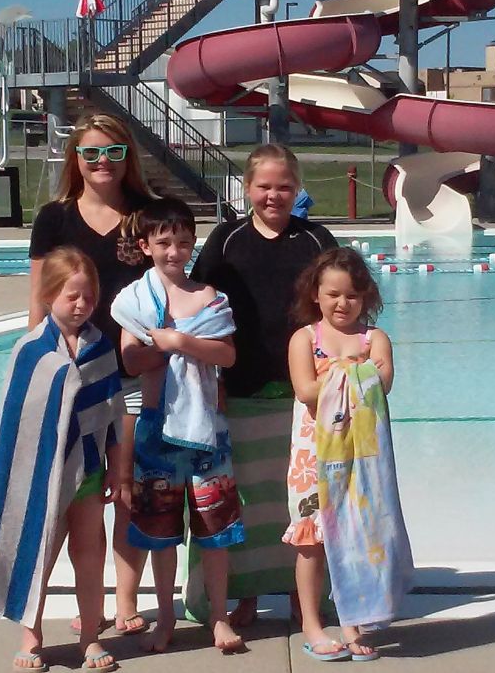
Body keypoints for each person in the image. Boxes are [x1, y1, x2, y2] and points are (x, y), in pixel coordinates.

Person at [187, 144, 338, 628]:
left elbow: (339, 306)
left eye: (284, 186)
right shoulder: (227, 240)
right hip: (241, 389)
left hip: (304, 393)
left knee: (305, 498)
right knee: (245, 503)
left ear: (297, 189)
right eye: (264, 186)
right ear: (248, 188)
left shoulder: (315, 240)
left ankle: (304, 594)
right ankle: (244, 592)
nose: (274, 195)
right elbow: (198, 307)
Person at [28, 113, 159, 637]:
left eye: (114, 152)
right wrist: (38, 373)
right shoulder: (53, 218)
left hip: (130, 376)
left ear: (129, 157)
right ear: (75, 160)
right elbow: (38, 304)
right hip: (73, 379)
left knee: (128, 490)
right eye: (91, 154)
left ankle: (125, 602)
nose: (102, 162)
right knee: (70, 497)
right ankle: (76, 607)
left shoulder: (145, 216)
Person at [0, 247, 122, 673]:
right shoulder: (30, 350)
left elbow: (111, 413)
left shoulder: (100, 347)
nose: (81, 305)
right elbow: (18, 427)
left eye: (88, 297)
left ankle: (90, 638)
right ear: (48, 296)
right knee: (38, 549)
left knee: (89, 553)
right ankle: (31, 635)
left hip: (89, 470)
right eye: (71, 296)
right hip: (42, 475)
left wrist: (117, 468)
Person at [111, 197, 245, 654]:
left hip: (206, 427)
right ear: (146, 245)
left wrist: (181, 340)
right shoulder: (133, 301)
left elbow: (226, 355)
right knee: (160, 531)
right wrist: (170, 349)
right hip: (155, 426)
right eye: (164, 242)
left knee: (215, 527)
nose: (174, 251)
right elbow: (131, 357)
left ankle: (219, 615)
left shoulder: (210, 298)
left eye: (183, 242)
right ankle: (165, 615)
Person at [284, 247, 413, 662]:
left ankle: (353, 621)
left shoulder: (375, 338)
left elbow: (385, 381)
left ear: (367, 296)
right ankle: (311, 622)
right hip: (314, 454)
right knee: (312, 539)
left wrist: (342, 372)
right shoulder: (305, 339)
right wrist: (352, 370)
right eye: (334, 294)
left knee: (357, 536)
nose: (343, 303)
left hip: (363, 458)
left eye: (353, 295)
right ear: (316, 295)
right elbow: (305, 390)